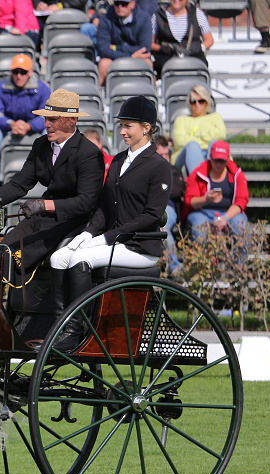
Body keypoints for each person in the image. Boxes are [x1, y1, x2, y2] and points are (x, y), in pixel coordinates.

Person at [49, 96, 171, 351]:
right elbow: (105, 206)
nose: (122, 131)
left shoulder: (159, 166)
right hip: (114, 241)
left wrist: (108, 237)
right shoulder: (117, 161)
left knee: (79, 260)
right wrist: (87, 233)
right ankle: (60, 326)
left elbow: (151, 215)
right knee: (58, 258)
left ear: (146, 128)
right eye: (121, 126)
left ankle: (76, 330)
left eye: (128, 126)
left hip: (140, 247)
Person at [0, 88, 105, 276]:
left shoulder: (89, 154)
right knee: (3, 250)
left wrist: (44, 205)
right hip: (42, 217)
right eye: (46, 119)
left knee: (17, 257)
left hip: (72, 222)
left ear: (72, 120)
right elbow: (20, 183)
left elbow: (86, 203)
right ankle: (6, 303)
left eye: (53, 119)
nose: (47, 125)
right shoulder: (41, 145)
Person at [0, 53, 50, 164]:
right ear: (11, 72)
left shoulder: (42, 89)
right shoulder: (0, 88)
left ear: (30, 72)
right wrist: (11, 124)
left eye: (23, 72)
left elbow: (46, 115)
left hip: (34, 127)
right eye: (15, 72)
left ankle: (47, 166)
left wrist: (29, 126)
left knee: (49, 132)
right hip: (8, 127)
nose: (19, 76)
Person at [182, 140, 249, 240]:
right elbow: (189, 201)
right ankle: (200, 255)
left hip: (229, 212)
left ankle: (240, 256)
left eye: (221, 161)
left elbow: (241, 202)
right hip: (202, 212)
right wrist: (206, 200)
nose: (218, 164)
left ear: (227, 160)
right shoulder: (198, 173)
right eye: (215, 160)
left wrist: (225, 218)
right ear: (210, 158)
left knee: (241, 226)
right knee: (199, 228)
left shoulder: (236, 174)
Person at [170, 83, 226, 175]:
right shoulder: (181, 120)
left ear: (207, 101)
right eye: (193, 101)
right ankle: (200, 183)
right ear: (189, 103)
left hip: (210, 151)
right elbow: (179, 141)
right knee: (192, 146)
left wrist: (193, 134)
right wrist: (206, 136)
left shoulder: (215, 117)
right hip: (184, 156)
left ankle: (212, 180)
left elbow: (221, 135)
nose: (197, 104)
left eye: (201, 101)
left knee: (214, 144)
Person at [151, 0, 213, 79]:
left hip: (193, 57)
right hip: (167, 59)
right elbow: (150, 44)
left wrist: (198, 48)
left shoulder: (197, 14)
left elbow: (209, 40)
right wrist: (164, 49)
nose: (176, 0)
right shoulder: (158, 15)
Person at [96, 0, 153, 85]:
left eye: (124, 4)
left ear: (132, 4)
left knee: (147, 63)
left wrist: (115, 47)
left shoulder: (144, 19)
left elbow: (145, 48)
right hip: (116, 58)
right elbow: (103, 49)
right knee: (103, 64)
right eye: (117, 3)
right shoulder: (105, 19)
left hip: (137, 57)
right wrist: (130, 56)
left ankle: (149, 96)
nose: (120, 7)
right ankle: (100, 96)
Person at [155, 135, 186, 275]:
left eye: (167, 154)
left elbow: (175, 192)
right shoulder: (148, 170)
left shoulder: (174, 171)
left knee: (163, 226)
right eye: (161, 154)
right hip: (150, 208)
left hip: (169, 207)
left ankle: (174, 267)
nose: (165, 157)